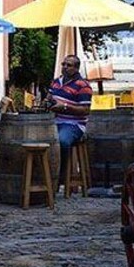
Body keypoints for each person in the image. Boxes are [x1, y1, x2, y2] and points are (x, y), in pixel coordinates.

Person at [43, 55, 92, 186]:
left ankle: (60, 176)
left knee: (62, 141)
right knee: (38, 141)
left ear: (76, 68)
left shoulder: (83, 85)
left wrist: (65, 107)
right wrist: (46, 103)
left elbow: (85, 110)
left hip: (73, 125)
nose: (64, 67)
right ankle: (44, 176)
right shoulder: (56, 82)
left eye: (68, 65)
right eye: (63, 64)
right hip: (54, 122)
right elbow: (48, 98)